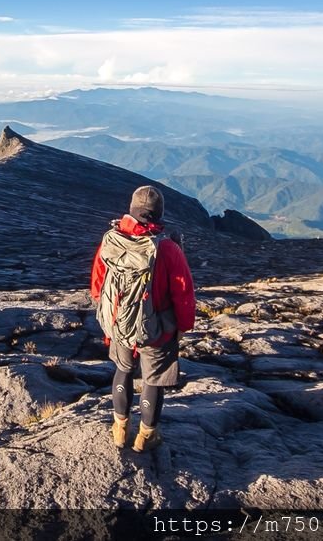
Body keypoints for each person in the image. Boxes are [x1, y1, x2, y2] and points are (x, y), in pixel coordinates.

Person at [90, 185, 196, 452]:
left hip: (119, 322)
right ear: (159, 213)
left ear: (132, 210)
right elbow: (183, 292)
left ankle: (119, 429)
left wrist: (110, 317)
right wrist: (183, 326)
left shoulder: (111, 240)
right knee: (153, 379)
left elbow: (98, 284)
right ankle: (146, 436)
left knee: (123, 370)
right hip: (157, 327)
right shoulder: (168, 249)